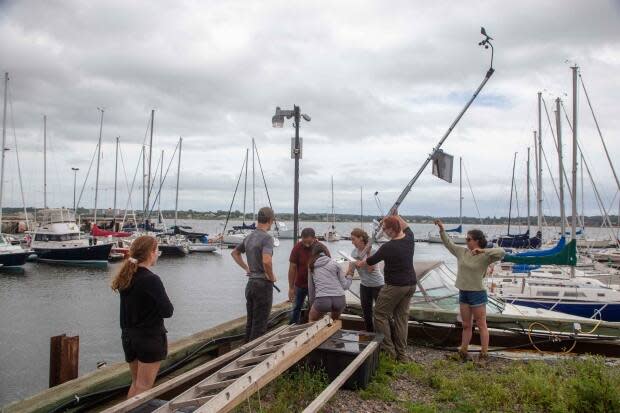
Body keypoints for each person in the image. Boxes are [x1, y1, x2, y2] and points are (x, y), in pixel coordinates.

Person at [434, 219, 505, 363]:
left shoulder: (486, 256)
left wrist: (483, 250)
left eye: (469, 239)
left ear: (477, 241)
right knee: (466, 325)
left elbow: (502, 252)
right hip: (463, 292)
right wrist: (442, 230)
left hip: (477, 293)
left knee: (481, 324)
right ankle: (463, 352)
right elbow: (448, 244)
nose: (466, 241)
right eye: (466, 238)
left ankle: (484, 355)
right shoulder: (462, 252)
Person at [111, 235, 173, 398]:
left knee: (136, 383)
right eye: (157, 250)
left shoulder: (127, 276)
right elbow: (168, 311)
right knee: (144, 387)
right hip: (148, 338)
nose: (157, 254)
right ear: (150, 253)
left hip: (129, 337)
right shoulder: (152, 279)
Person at [356, 215, 415, 362]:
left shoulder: (388, 247)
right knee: (401, 318)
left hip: (394, 286)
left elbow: (370, 261)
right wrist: (395, 215)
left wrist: (357, 264)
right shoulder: (409, 238)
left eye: (384, 229)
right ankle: (402, 355)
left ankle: (389, 351)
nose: (383, 231)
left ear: (391, 230)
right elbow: (405, 225)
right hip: (410, 285)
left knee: (379, 314)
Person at [231, 207, 277, 342]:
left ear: (258, 219)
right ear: (270, 220)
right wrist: (271, 276)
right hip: (262, 285)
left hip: (250, 284)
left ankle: (245, 352)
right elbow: (267, 261)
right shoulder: (267, 238)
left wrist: (247, 268)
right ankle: (253, 359)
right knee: (260, 325)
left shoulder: (249, 237)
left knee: (250, 323)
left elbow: (235, 253)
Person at [288, 228, 330, 324]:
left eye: (309, 242)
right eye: (304, 242)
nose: (307, 245)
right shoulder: (297, 248)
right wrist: (291, 288)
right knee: (296, 308)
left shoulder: (322, 249)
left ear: (315, 238)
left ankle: (313, 327)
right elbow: (292, 268)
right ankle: (292, 326)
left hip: (316, 286)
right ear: (301, 239)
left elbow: (329, 267)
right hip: (300, 285)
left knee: (315, 309)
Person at [347, 228, 384, 332]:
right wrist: (344, 278)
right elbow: (351, 270)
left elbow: (370, 269)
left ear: (361, 238)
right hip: (364, 286)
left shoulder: (373, 250)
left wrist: (367, 254)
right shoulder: (354, 252)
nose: (352, 242)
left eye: (354, 239)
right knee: (366, 313)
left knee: (381, 313)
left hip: (378, 285)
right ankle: (369, 334)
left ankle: (386, 337)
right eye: (351, 239)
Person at [308, 243, 352, 321]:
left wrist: (313, 305)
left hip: (322, 300)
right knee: (334, 322)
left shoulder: (312, 266)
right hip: (339, 299)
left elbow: (311, 290)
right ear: (326, 252)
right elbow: (345, 286)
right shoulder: (335, 264)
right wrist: (350, 275)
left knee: (312, 320)